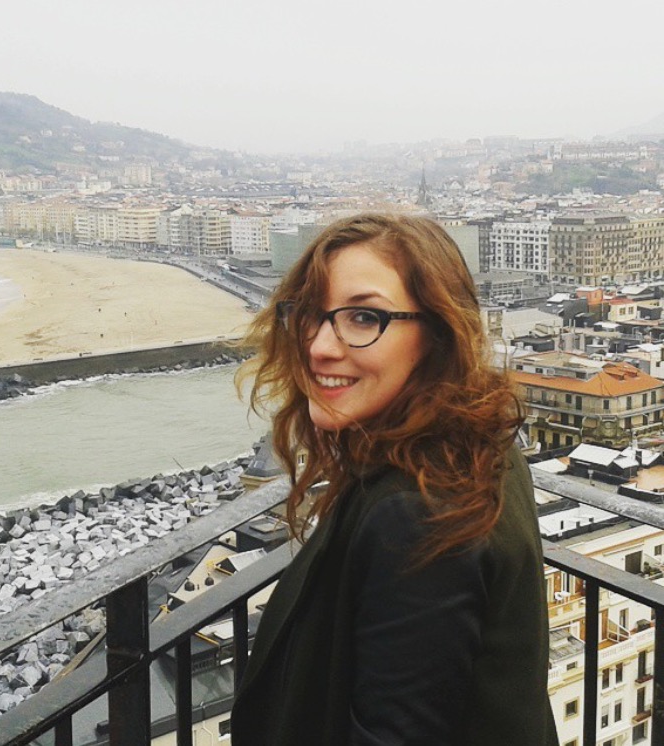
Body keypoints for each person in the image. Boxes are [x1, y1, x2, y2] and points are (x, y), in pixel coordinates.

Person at [231, 213, 559, 745]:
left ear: (436, 334)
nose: (318, 346)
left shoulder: (417, 511)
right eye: (310, 315)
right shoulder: (478, 447)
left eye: (363, 317)